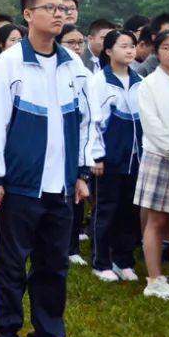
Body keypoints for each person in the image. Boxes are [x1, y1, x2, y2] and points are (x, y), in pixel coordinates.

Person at [0, 0, 91, 337]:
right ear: (28, 15)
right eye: (50, 8)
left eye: (63, 9)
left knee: (53, 265)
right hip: (21, 185)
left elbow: (83, 121)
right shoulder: (9, 64)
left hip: (60, 186)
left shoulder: (72, 65)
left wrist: (80, 172)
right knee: (10, 265)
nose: (59, 15)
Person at [134, 29, 169, 300]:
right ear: (157, 52)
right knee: (156, 220)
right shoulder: (149, 84)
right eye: (167, 48)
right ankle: (154, 279)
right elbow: (152, 125)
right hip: (161, 156)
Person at [86, 30, 143, 283]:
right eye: (123, 46)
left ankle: (124, 260)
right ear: (108, 51)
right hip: (109, 158)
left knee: (130, 210)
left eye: (132, 46)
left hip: (135, 158)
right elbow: (92, 122)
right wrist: (96, 156)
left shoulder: (140, 81)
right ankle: (101, 262)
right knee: (106, 209)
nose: (130, 50)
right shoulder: (99, 82)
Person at [55, 24, 91, 265]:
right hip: (47, 148)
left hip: (72, 147)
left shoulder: (83, 72)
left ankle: (71, 247)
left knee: (74, 199)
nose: (77, 47)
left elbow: (87, 118)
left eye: (80, 42)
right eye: (71, 42)